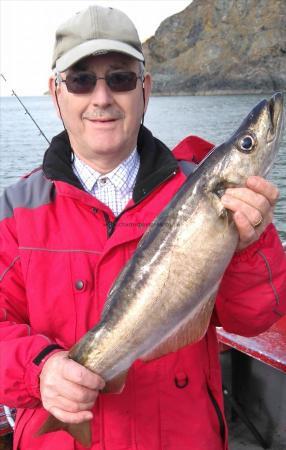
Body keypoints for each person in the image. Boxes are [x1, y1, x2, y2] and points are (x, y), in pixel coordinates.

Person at [0, 4, 285, 450]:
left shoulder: (213, 192)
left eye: (120, 78)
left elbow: (256, 319)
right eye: (80, 80)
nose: (101, 98)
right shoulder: (14, 212)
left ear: (145, 91)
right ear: (56, 95)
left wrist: (251, 245)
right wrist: (41, 371)